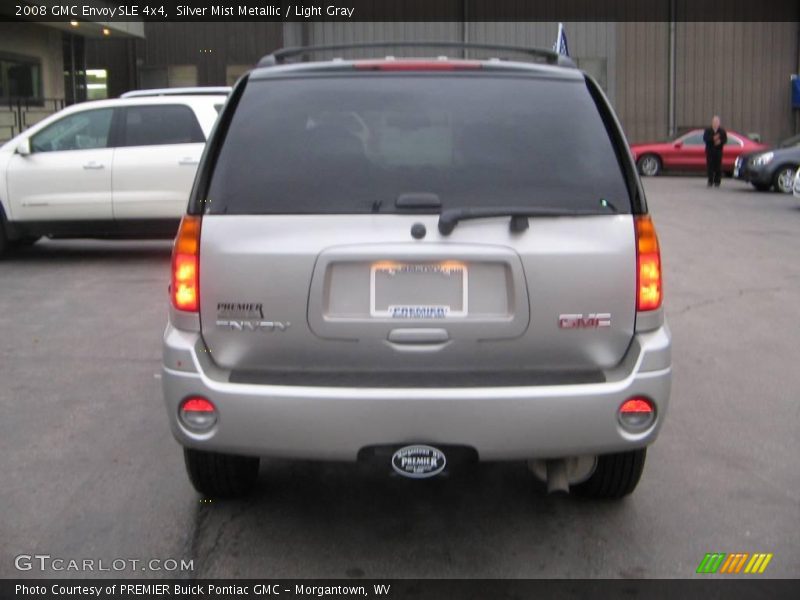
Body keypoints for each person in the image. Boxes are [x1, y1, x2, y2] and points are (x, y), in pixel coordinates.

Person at [703, 115, 727, 187]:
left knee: (718, 167)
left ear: (719, 123)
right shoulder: (708, 130)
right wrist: (713, 138)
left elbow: (725, 140)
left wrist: (720, 142)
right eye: (714, 122)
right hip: (710, 151)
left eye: (717, 122)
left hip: (718, 151)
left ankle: (717, 181)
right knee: (710, 166)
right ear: (712, 122)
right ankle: (710, 181)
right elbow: (705, 139)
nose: (716, 123)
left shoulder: (722, 131)